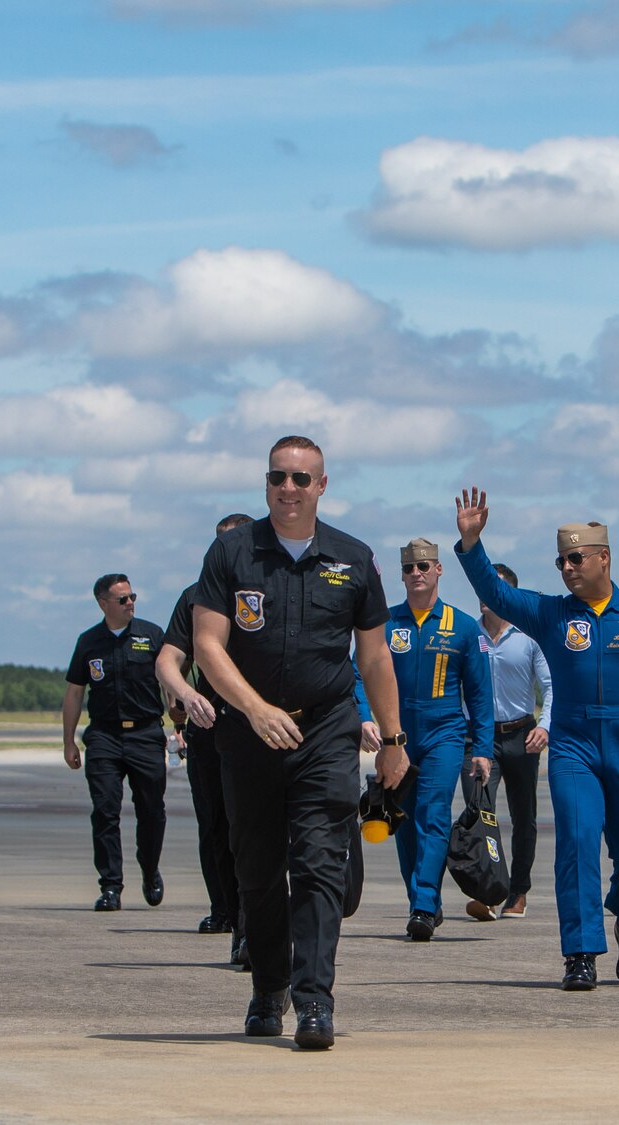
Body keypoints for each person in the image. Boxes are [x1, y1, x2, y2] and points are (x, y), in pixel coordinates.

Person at [190, 436, 410, 1050]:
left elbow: (373, 657)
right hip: (248, 732)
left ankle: (315, 1002)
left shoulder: (352, 557)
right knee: (256, 872)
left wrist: (392, 739)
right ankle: (268, 989)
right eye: (278, 477)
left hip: (324, 730)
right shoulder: (232, 552)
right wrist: (254, 709)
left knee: (318, 867)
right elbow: (208, 645)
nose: (289, 488)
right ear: (266, 483)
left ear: (322, 485)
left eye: (301, 479)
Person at [454, 489, 619, 991]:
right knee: (578, 844)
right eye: (561, 560)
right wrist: (472, 543)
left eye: (576, 558)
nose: (567, 567)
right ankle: (581, 952)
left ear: (603, 557)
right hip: (573, 745)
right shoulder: (551, 614)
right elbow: (498, 596)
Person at [157, 512, 256, 965]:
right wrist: (182, 697)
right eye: (220, 543)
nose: (227, 550)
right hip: (209, 726)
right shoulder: (195, 597)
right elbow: (168, 661)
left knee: (254, 828)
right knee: (216, 825)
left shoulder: (269, 586)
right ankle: (232, 916)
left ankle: (258, 921)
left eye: (235, 541)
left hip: (261, 726)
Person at [384, 538, 493, 939]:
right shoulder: (385, 623)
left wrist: (481, 748)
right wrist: (366, 721)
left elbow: (480, 694)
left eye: (424, 567)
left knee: (433, 815)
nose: (417, 574)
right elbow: (361, 674)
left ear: (439, 570)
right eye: (410, 568)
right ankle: (422, 896)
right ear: (402, 574)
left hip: (444, 733)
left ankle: (424, 905)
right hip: (396, 735)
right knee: (404, 820)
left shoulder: (463, 627)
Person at [62, 574, 169, 912]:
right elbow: (75, 692)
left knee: (151, 811)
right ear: (103, 603)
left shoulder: (151, 635)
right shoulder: (88, 641)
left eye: (132, 596)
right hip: (105, 736)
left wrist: (178, 724)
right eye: (122, 599)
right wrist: (68, 742)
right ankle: (110, 886)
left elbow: (169, 682)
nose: (130, 603)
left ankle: (150, 869)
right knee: (105, 811)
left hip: (146, 735)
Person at [463, 563, 552, 921]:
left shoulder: (529, 636)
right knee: (480, 815)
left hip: (522, 736)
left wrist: (545, 726)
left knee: (523, 817)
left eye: (494, 588)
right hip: (479, 738)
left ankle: (518, 891)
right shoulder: (468, 635)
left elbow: (549, 686)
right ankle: (487, 891)